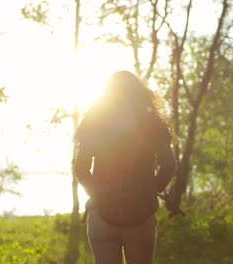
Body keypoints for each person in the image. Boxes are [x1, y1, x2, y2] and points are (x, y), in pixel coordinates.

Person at [74, 71, 176, 264]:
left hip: (101, 215)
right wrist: (152, 189)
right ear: (139, 93)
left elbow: (81, 169)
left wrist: (97, 193)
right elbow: (169, 165)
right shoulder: (151, 124)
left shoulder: (95, 123)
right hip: (141, 215)